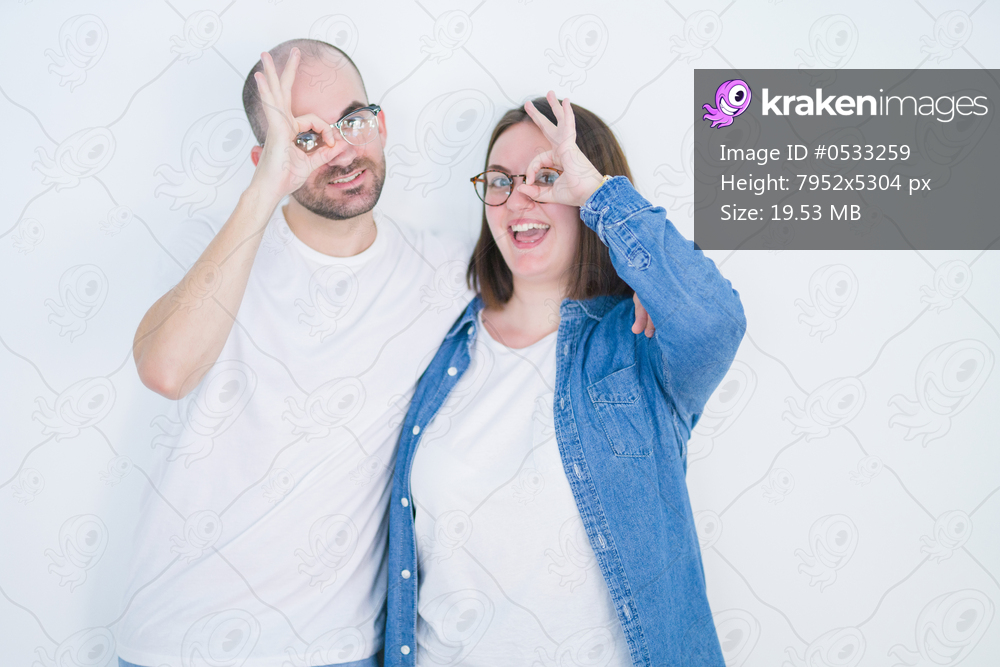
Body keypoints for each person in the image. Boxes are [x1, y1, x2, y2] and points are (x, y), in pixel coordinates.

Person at [121, 40, 651, 666]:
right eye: (306, 138)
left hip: (340, 650)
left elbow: (545, 268)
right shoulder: (229, 265)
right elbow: (166, 371)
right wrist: (263, 195)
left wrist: (639, 276)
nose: (342, 150)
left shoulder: (449, 271)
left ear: (379, 122)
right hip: (182, 642)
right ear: (267, 159)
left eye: (351, 120)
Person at [384, 92, 747, 666]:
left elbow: (715, 321)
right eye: (500, 181)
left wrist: (602, 197)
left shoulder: (635, 346)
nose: (519, 199)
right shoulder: (444, 343)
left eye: (548, 176)